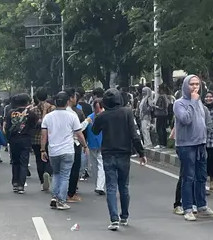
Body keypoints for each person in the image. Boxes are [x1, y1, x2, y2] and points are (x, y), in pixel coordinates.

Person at [92, 89, 147, 230]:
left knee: (111, 186)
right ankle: (124, 217)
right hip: (124, 154)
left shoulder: (102, 116)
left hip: (108, 154)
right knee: (124, 186)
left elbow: (94, 131)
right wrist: (141, 153)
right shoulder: (127, 112)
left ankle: (114, 219)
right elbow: (134, 135)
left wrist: (100, 115)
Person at [173, 74, 213, 221]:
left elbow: (206, 120)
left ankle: (202, 206)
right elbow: (186, 119)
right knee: (188, 177)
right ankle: (188, 207)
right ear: (185, 86)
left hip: (201, 144)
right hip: (186, 145)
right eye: (192, 84)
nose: (195, 87)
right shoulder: (179, 103)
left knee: (201, 177)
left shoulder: (200, 103)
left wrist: (204, 134)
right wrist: (193, 102)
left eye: (197, 84)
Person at [41, 92, 88, 210]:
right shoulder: (72, 116)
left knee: (56, 174)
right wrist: (85, 146)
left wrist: (42, 150)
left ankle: (54, 197)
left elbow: (43, 136)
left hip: (53, 151)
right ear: (67, 102)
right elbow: (79, 133)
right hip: (67, 150)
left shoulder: (48, 117)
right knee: (65, 176)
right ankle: (61, 201)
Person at [5, 93, 37, 194]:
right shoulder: (30, 113)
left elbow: (7, 127)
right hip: (25, 140)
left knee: (15, 161)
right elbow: (35, 125)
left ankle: (15, 182)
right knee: (24, 163)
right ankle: (21, 186)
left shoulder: (10, 112)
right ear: (27, 102)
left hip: (13, 140)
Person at [30, 90, 54, 191]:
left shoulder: (32, 110)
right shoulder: (52, 109)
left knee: (39, 160)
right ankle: (48, 172)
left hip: (36, 139)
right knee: (50, 158)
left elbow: (31, 125)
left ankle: (42, 181)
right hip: (50, 137)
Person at [86, 99, 106, 196]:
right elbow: (82, 129)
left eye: (99, 108)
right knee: (94, 166)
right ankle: (98, 185)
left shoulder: (106, 116)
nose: (98, 110)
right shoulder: (90, 117)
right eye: (96, 108)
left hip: (103, 144)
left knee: (101, 165)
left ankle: (100, 186)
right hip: (92, 144)